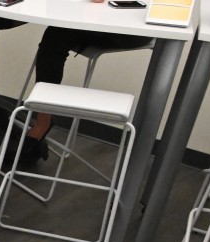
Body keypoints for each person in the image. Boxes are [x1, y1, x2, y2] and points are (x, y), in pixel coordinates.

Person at [22, 20, 149, 156]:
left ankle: (42, 121)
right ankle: (43, 117)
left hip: (131, 28)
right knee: (55, 34)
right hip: (87, 18)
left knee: (57, 33)